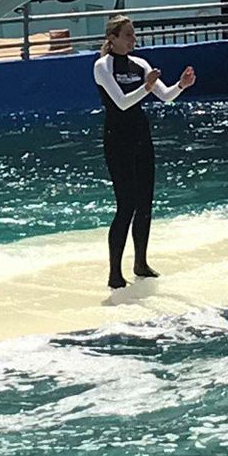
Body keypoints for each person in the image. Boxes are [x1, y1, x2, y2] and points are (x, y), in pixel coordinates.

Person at [94, 16, 194, 290]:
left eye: (133, 35)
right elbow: (122, 102)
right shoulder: (102, 66)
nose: (132, 40)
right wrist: (146, 87)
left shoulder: (141, 65)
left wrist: (182, 85)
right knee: (126, 204)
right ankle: (115, 272)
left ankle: (141, 262)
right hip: (117, 139)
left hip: (140, 136)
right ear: (112, 38)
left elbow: (165, 96)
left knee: (145, 203)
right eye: (127, 35)